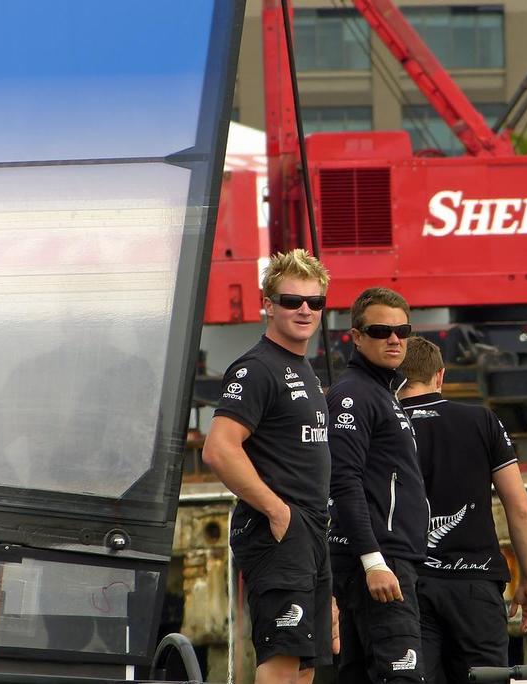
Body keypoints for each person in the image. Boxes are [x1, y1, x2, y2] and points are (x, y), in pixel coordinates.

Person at [202, 248, 334, 684]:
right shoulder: (258, 368)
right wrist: (277, 512)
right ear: (268, 305)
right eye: (291, 300)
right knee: (280, 663)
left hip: (310, 534)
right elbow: (219, 449)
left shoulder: (304, 369)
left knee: (304, 667)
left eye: (314, 302)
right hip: (280, 534)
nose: (304, 310)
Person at [398, 336, 527, 684]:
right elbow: (519, 507)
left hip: (409, 583)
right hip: (475, 583)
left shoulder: (386, 425)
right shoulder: (482, 421)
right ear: (440, 376)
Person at [326, 287, 428, 683]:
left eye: (403, 330)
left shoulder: (382, 393)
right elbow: (343, 479)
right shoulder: (354, 394)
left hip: (387, 558)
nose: (394, 339)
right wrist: (373, 561)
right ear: (356, 335)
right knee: (400, 675)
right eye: (381, 330)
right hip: (377, 563)